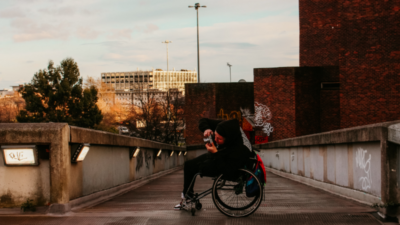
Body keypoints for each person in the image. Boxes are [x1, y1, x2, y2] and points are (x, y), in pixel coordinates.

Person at [174, 118, 254, 210]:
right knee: (188, 164)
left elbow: (228, 170)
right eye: (215, 135)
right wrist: (207, 129)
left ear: (228, 139)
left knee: (192, 167)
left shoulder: (240, 150)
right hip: (222, 156)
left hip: (227, 164)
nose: (215, 140)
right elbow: (203, 120)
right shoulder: (225, 127)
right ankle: (188, 197)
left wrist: (216, 153)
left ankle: (187, 199)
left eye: (219, 139)